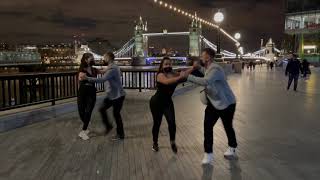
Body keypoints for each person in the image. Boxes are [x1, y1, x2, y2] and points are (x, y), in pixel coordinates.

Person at [183, 48, 238, 164]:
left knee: (228, 126)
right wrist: (198, 68)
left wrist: (187, 77)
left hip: (227, 103)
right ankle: (208, 154)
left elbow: (206, 81)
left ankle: (232, 147)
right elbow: (206, 73)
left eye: (202, 56)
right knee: (207, 126)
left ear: (208, 57)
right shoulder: (209, 68)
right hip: (213, 103)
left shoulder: (216, 69)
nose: (201, 58)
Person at [80, 52, 126, 141]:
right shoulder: (113, 67)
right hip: (112, 95)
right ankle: (109, 126)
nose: (103, 59)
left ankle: (120, 134)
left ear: (109, 58)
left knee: (116, 115)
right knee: (102, 109)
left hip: (118, 96)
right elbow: (118, 73)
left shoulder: (112, 69)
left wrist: (87, 78)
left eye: (104, 58)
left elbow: (102, 79)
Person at [150, 57, 185, 153]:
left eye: (169, 64)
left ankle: (172, 142)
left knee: (172, 123)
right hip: (156, 103)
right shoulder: (160, 75)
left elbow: (184, 75)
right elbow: (167, 82)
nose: (168, 65)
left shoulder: (173, 74)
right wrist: (180, 77)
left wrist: (194, 68)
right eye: (166, 64)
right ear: (161, 66)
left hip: (168, 103)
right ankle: (155, 143)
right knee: (157, 123)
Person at [77, 53, 99, 140]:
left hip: (92, 92)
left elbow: (104, 72)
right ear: (86, 60)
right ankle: (86, 123)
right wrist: (82, 77)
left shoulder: (94, 70)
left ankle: (83, 130)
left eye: (93, 58)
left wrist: (113, 68)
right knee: (81, 111)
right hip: (82, 92)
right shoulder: (82, 69)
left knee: (88, 111)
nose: (93, 59)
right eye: (91, 58)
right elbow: (81, 77)